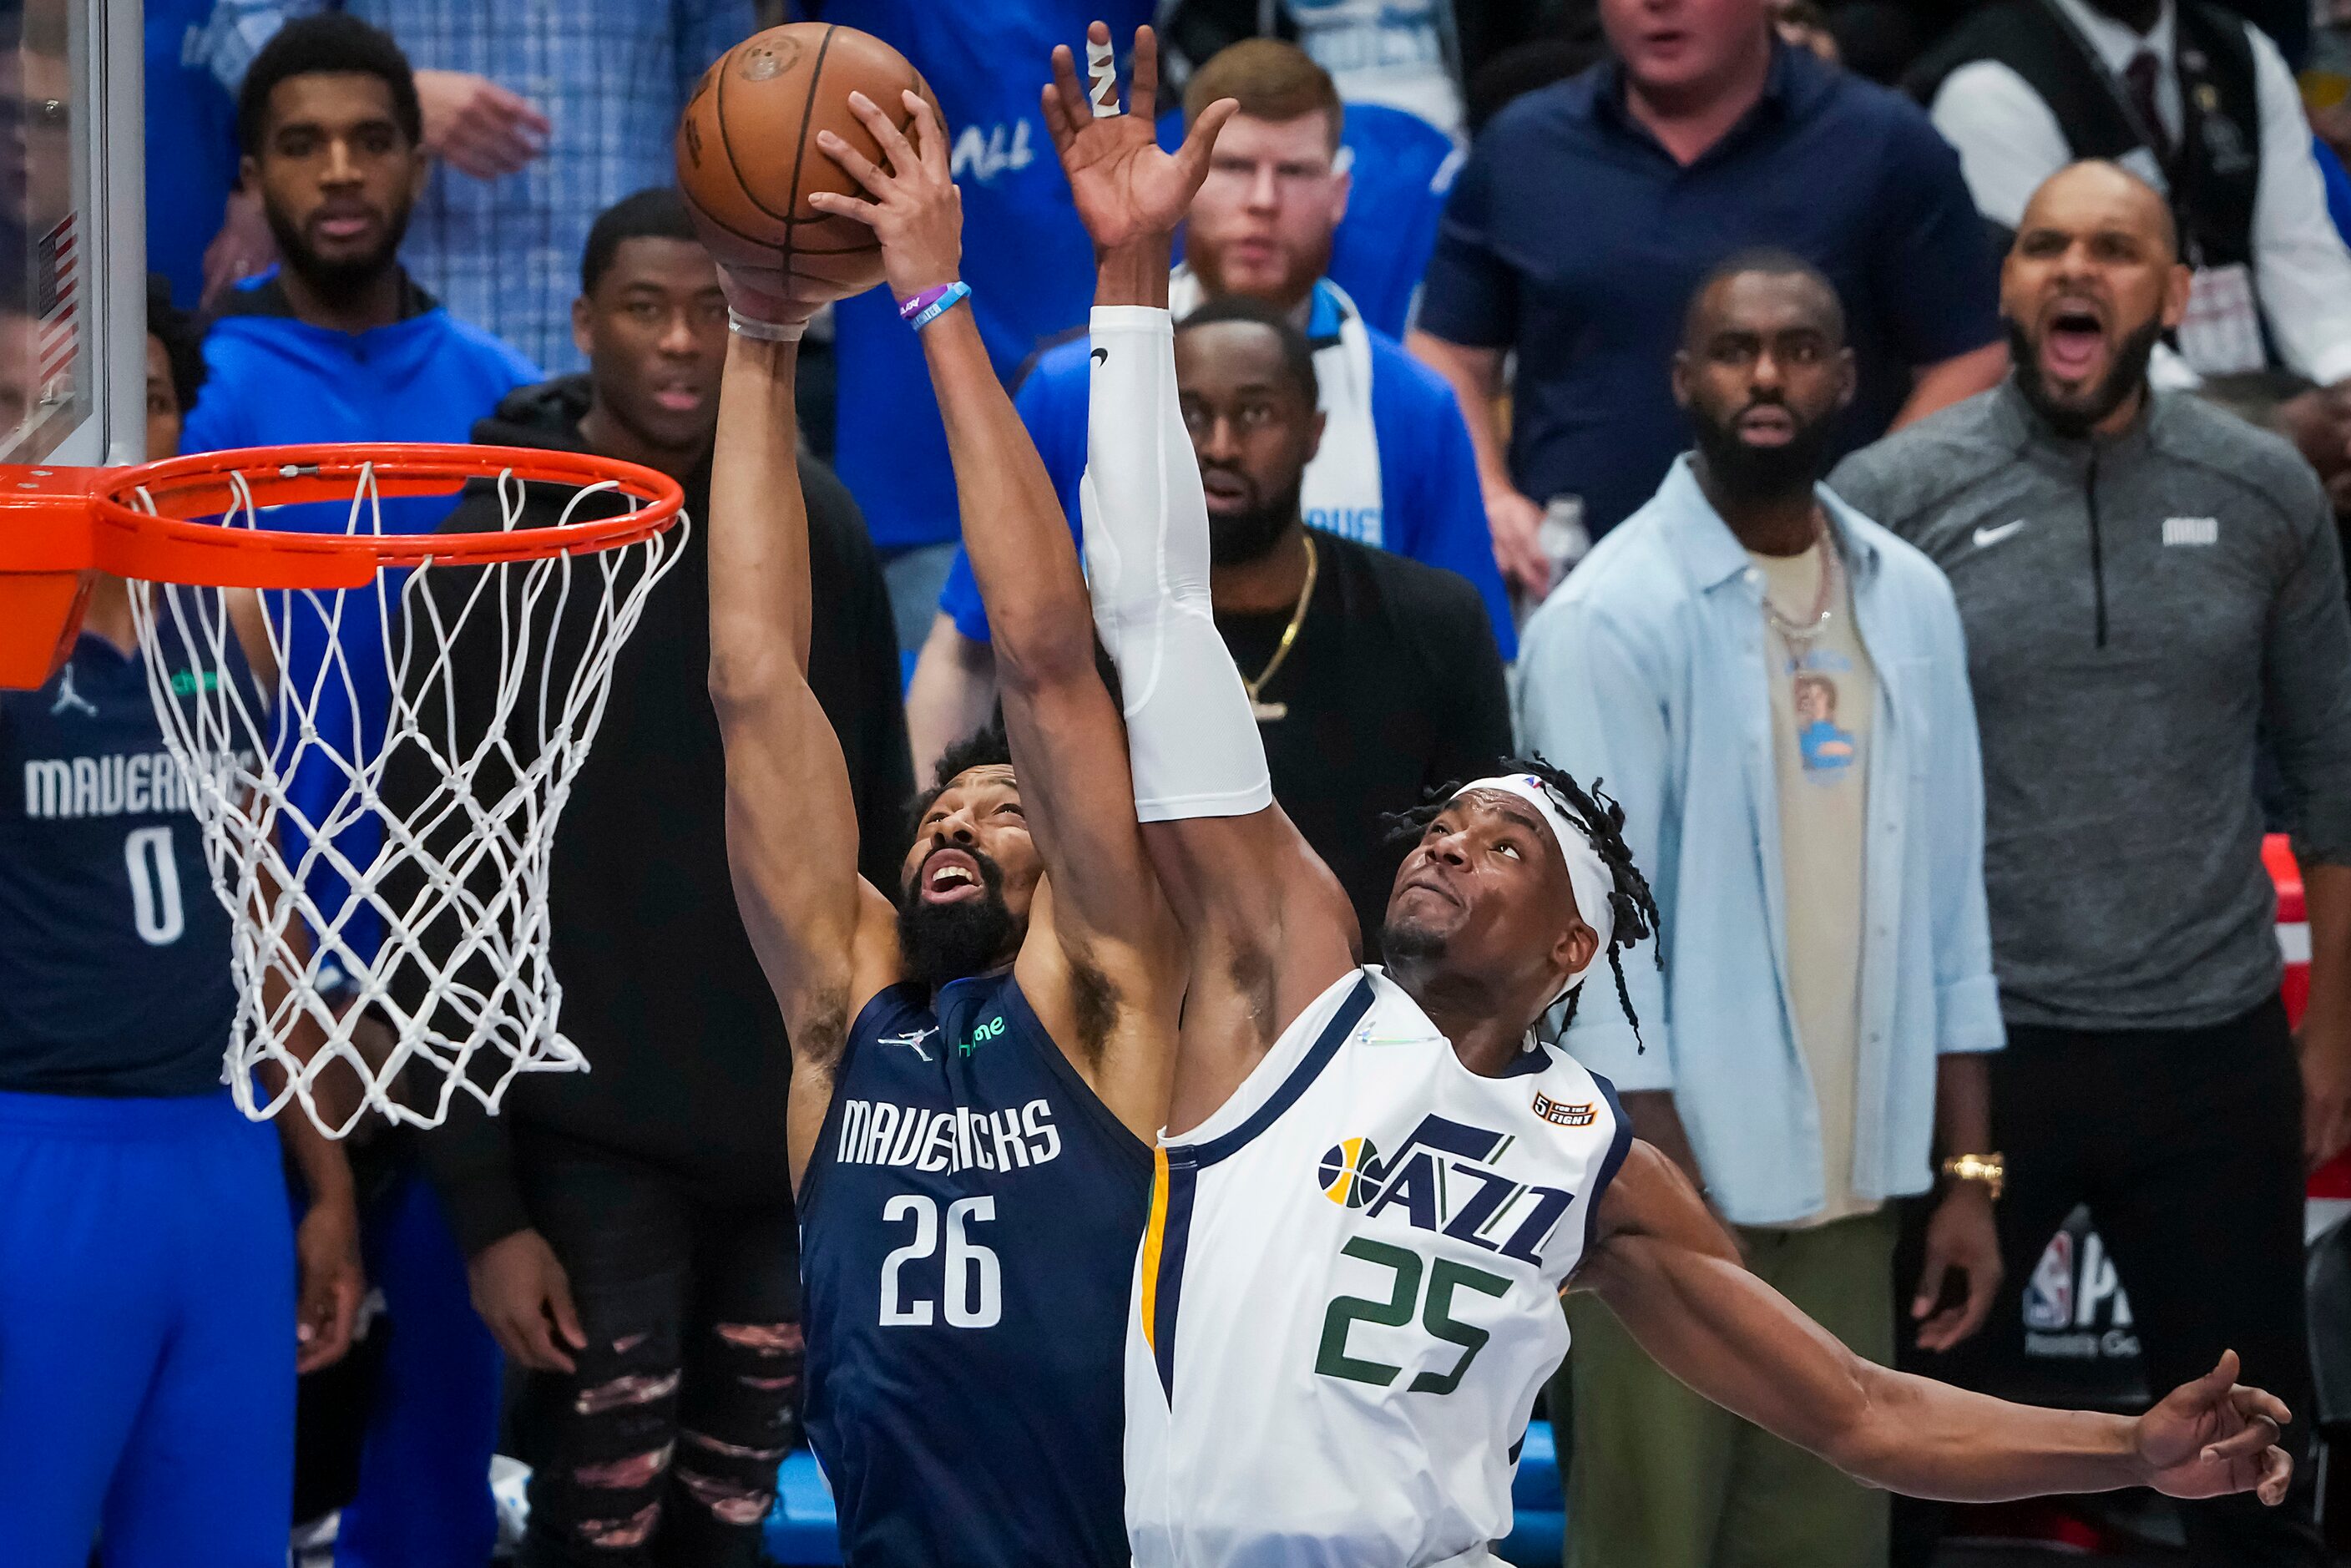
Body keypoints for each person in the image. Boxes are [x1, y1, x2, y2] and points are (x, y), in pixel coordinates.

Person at [1050, 28, 2296, 1568]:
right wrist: (1130, 281)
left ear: (1575, 952)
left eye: (1507, 841)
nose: (1450, 840)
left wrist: (2131, 1442)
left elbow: (1856, 1409)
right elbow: (1156, 609)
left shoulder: (1587, 1160)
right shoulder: (1290, 983)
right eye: (1447, 824)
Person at [698, 58, 1235, 1564]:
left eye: (1003, 815)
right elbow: (753, 679)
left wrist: (938, 308)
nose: (952, 828)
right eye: (943, 813)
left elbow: (1049, 656)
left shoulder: (1109, 996)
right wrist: (759, 330)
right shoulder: (846, 1017)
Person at [1828, 158, 2351, 1567]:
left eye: (2116, 249)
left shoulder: (2266, 493)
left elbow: (2333, 781)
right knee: (1911, 1455)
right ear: (2005, 281)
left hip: (2213, 1046)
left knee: (2251, 1461)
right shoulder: (1885, 496)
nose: (2075, 270)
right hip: (1981, 1054)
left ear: (2174, 292)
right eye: (2045, 244)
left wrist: (2332, 1029)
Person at [390, 189, 909, 1565]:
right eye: (645, 307)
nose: (682, 343)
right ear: (580, 324)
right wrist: (485, 1205)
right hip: (582, 1134)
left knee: (733, 1517)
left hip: (788, 1135)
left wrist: (880, 1118)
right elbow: (430, 872)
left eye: (715, 309)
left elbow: (884, 821)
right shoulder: (503, 531)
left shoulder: (825, 522)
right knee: (596, 1511)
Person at [1516, 252, 2005, 1568]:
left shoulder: (1913, 595)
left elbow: (1952, 896)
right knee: (1652, 1547)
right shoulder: (1609, 617)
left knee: (1826, 1551)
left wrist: (1966, 1174)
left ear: (1849, 379)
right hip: (1667, 1207)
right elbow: (1598, 968)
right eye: (1737, 350)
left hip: (1855, 1201)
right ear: (1686, 380)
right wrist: (1672, 1215)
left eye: (1799, 349)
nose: (1769, 375)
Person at [179, 18, 540, 1564]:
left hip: (459, 967)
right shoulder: (191, 390)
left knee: (441, 1455)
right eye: (302, 142)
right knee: (233, 1449)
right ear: (250, 175)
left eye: (370, 138)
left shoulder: (513, 399)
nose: (340, 171)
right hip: (237, 969)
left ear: (414, 157)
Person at [0, 281, 362, 1568]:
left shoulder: (227, 615)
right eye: (47, 406)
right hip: (38, 1148)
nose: (99, 435)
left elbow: (270, 916)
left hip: (224, 1155)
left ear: (179, 428)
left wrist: (325, 1184)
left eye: (139, 400)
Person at [907, 38, 1508, 771]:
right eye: (1231, 166)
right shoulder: (1072, 389)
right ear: (1184, 175)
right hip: (1115, 813)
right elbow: (966, 654)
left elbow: (1471, 667)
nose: (1263, 200)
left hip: (1355, 818)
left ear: (1340, 193)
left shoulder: (1414, 403)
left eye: (1294, 171)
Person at [1408, 0, 2007, 594]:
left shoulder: (1886, 145)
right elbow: (1449, 351)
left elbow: (1969, 356)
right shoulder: (1522, 148)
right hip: (1574, 589)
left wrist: (1870, 507)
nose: (1657, 4)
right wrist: (1487, 495)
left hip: (1818, 588)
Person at [800, 0, 1158, 655]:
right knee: (956, 743)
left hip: (1089, 461)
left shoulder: (1101, 22)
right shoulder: (870, 18)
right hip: (918, 473)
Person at [1910, 0, 2351, 498]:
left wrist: (2342, 392)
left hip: (2257, 395)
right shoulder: (1988, 85)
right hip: (2086, 450)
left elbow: (2302, 256)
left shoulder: (2240, 49)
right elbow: (2060, 327)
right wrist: (2258, 434)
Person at [202, 0, 751, 370]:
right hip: (415, 326)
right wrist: (389, 99)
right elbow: (245, 21)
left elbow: (730, 85)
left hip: (630, 344)